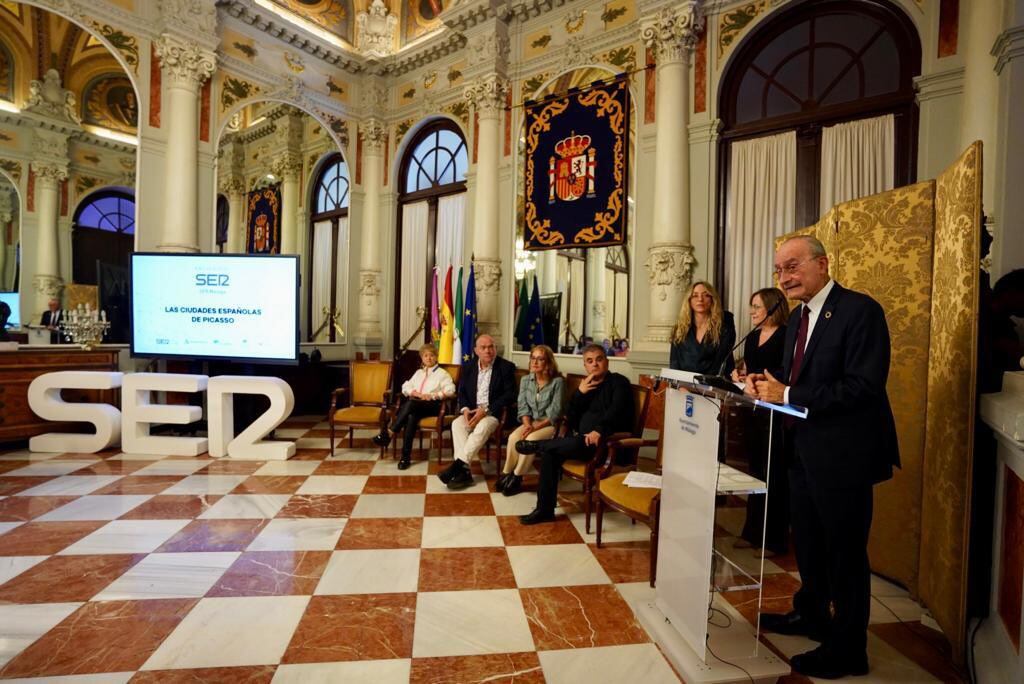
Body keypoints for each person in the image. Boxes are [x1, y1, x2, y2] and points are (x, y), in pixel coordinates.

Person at [746, 235, 899, 679]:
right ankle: (812, 613)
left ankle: (850, 648)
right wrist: (762, 384)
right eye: (778, 270)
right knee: (809, 545)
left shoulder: (860, 311)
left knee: (844, 554)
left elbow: (863, 387)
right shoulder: (798, 318)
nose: (784, 277)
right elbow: (795, 379)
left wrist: (788, 392)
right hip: (801, 451)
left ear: (822, 264)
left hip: (844, 455)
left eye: (792, 266)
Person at [516, 344, 633, 525]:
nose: (595, 364)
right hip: (581, 442)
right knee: (551, 453)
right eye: (589, 361)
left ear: (607, 362)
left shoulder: (619, 383)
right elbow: (569, 415)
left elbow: (616, 412)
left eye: (599, 359)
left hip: (607, 445)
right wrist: (580, 393)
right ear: (585, 365)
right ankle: (544, 510)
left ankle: (538, 446)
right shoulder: (586, 384)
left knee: (563, 445)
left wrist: (599, 430)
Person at [731, 287, 789, 555]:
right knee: (754, 473)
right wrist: (741, 376)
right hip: (753, 411)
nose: (751, 311)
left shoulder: (788, 335)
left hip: (777, 414)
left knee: (773, 475)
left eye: (756, 306)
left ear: (774, 307)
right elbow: (751, 368)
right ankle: (751, 532)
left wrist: (762, 379)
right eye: (751, 306)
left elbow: (786, 372)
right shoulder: (753, 337)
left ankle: (774, 539)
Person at [438, 334, 517, 490]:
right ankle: (464, 472)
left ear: (495, 349)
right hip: (472, 412)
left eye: (491, 347)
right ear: (476, 351)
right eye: (483, 347)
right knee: (457, 424)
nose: (488, 351)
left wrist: (486, 410)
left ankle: (457, 467)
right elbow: (463, 393)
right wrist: (466, 410)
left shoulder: (506, 367)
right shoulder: (468, 367)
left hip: (494, 413)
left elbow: (510, 395)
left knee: (481, 428)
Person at [373, 344, 456, 470]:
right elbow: (406, 386)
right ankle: (405, 458)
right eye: (425, 355)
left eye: (431, 355)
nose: (428, 358)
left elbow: (451, 390)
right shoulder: (418, 373)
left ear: (436, 357)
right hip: (417, 405)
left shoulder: (442, 374)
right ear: (422, 358)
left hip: (435, 406)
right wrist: (414, 393)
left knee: (411, 404)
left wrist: (433, 396)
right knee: (411, 416)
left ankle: (390, 432)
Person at [498, 344, 564, 497]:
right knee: (514, 437)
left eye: (540, 359)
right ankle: (507, 473)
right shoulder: (526, 380)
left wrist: (534, 428)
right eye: (533, 358)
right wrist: (527, 424)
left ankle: (517, 476)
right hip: (531, 422)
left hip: (549, 424)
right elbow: (522, 405)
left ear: (548, 363)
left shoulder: (558, 382)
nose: (534, 362)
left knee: (530, 439)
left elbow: (555, 412)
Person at [669, 281, 736, 375]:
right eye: (695, 295)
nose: (700, 299)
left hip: (715, 384)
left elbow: (721, 361)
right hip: (684, 386)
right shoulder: (679, 329)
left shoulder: (724, 324)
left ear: (712, 299)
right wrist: (681, 387)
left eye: (706, 295)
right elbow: (674, 364)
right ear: (689, 300)